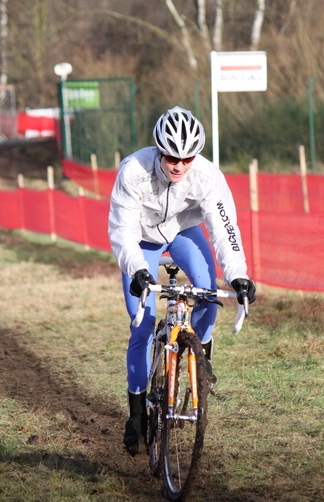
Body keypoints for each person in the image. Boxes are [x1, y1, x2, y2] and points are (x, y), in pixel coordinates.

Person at [108, 106, 256, 456]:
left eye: (187, 158)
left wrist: (238, 275)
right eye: (172, 157)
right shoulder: (134, 171)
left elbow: (225, 231)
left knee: (208, 290)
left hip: (183, 231)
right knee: (142, 323)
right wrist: (137, 269)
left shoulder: (206, 176)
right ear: (159, 151)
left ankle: (200, 355)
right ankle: (136, 413)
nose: (178, 165)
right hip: (141, 240)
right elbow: (122, 230)